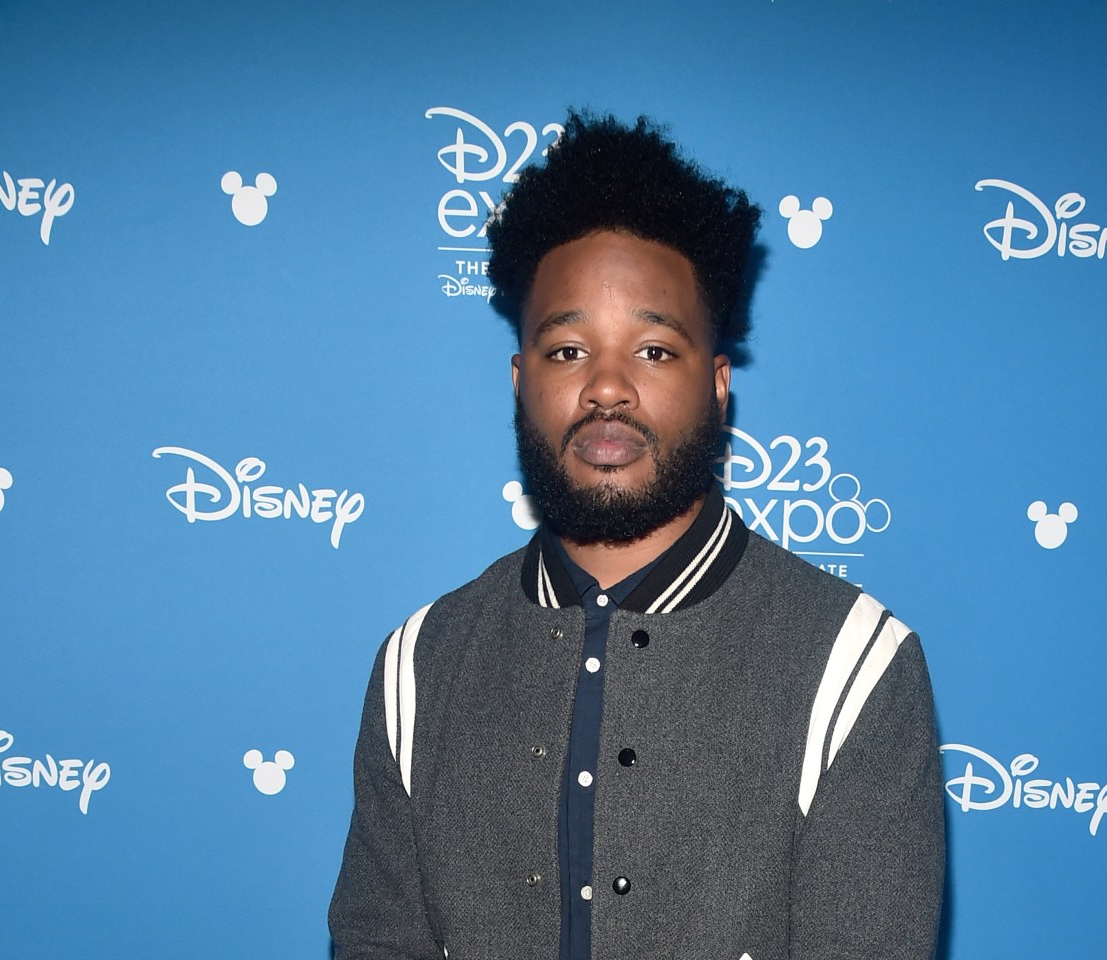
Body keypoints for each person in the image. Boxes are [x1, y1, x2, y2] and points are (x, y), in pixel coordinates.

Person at [329, 110, 944, 960]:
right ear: (519, 379)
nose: (608, 388)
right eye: (567, 351)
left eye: (653, 350)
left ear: (718, 385)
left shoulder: (857, 666)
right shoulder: (419, 663)